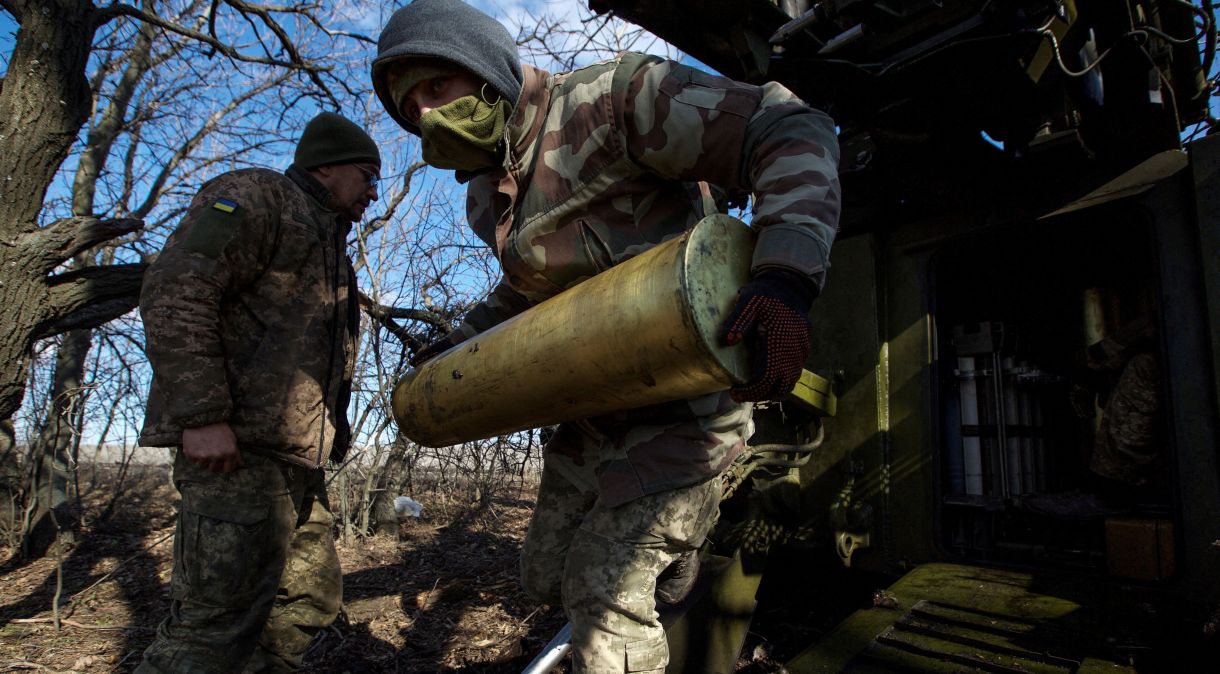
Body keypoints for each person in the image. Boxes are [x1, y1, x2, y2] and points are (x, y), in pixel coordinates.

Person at [371, 1, 841, 671]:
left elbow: (791, 128)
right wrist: (457, 344)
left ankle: (650, 579)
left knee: (603, 606)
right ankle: (676, 564)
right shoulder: (487, 197)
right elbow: (528, 294)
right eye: (409, 105)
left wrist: (786, 277)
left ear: (483, 70)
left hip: (687, 405)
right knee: (545, 576)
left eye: (435, 88)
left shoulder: (610, 101)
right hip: (592, 416)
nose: (425, 114)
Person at [135, 112, 380, 673]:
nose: (372, 192)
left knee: (304, 605)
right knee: (215, 624)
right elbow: (176, 288)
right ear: (325, 165)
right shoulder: (257, 197)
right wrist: (202, 415)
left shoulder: (329, 242)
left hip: (294, 463)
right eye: (366, 176)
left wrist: (330, 436)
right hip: (235, 454)